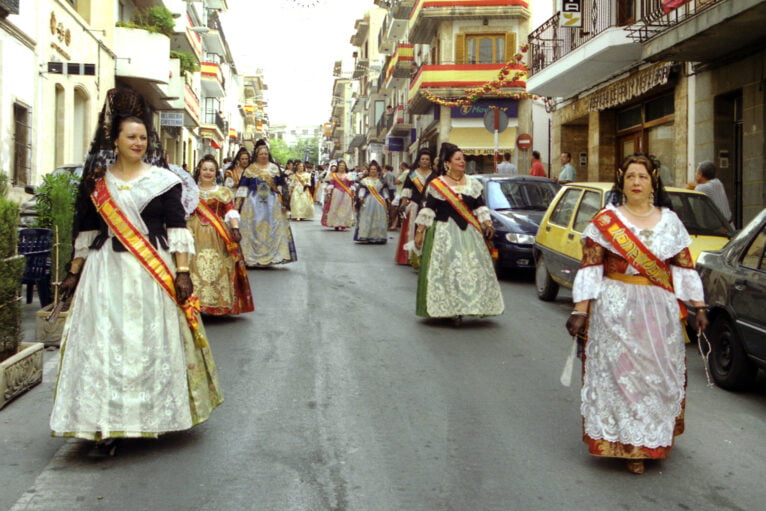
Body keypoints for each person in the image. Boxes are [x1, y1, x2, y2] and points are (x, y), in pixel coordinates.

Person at [51, 88, 222, 455]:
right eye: (131, 137)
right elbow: (88, 229)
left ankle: (149, 416)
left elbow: (177, 228)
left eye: (143, 137)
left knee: (146, 342)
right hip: (105, 272)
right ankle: (104, 424)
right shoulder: (98, 183)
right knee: (104, 344)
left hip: (150, 272)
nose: (138, 143)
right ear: (115, 139)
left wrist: (183, 272)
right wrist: (74, 271)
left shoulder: (163, 181)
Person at [566, 153, 708, 475]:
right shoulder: (606, 221)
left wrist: (699, 306)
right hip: (615, 309)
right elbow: (591, 267)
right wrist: (580, 310)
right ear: (622, 180)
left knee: (653, 379)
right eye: (630, 176)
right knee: (620, 377)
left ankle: (650, 438)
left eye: (642, 176)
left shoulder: (670, 221)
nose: (636, 182)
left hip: (659, 312)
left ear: (653, 180)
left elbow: (684, 269)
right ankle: (627, 444)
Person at [413, 142, 505, 323]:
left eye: (463, 159)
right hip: (444, 233)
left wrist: (487, 224)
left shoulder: (473, 183)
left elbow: (480, 207)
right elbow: (429, 210)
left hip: (470, 232)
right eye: (458, 159)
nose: (462, 162)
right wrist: (420, 231)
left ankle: (470, 305)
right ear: (447, 163)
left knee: (471, 269)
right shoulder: (437, 185)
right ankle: (450, 308)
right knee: (448, 270)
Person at [188, 155, 254, 315]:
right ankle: (197, 304)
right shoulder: (190, 191)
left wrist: (235, 229)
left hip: (218, 234)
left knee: (218, 267)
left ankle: (218, 303)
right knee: (195, 267)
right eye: (205, 169)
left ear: (216, 172)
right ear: (199, 171)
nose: (208, 173)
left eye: (211, 170)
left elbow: (231, 211)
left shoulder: (223, 192)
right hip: (194, 232)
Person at [235, 140, 297, 267]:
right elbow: (242, 188)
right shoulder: (250, 169)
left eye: (266, 154)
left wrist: (285, 202)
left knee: (272, 229)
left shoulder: (274, 169)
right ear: (256, 155)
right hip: (252, 204)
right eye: (261, 154)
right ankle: (251, 257)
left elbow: (281, 187)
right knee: (252, 230)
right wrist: (236, 206)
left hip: (272, 204)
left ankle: (271, 257)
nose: (264, 156)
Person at [396, 148, 435, 266]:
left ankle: (425, 255)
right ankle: (410, 257)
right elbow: (407, 190)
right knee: (412, 231)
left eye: (427, 159)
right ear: (419, 160)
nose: (424, 161)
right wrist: (403, 204)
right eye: (422, 159)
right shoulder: (412, 174)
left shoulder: (434, 175)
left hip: (429, 206)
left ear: (430, 161)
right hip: (414, 205)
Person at [354, 160, 389, 244]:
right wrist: (361, 197)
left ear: (377, 171)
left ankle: (379, 236)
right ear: (369, 171)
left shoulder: (381, 181)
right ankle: (366, 235)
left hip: (379, 202)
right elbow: (362, 190)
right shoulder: (364, 181)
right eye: (371, 169)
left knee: (379, 218)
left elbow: (385, 191)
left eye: (375, 169)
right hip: (368, 201)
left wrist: (388, 199)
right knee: (367, 217)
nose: (373, 171)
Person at [321, 160, 355, 231]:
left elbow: (352, 184)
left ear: (345, 166)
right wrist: (329, 193)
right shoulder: (333, 175)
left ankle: (343, 224)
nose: (342, 167)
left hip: (347, 194)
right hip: (336, 193)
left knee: (345, 208)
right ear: (338, 167)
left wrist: (353, 192)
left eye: (343, 165)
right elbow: (331, 184)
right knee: (335, 208)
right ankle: (336, 223)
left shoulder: (350, 175)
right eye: (340, 165)